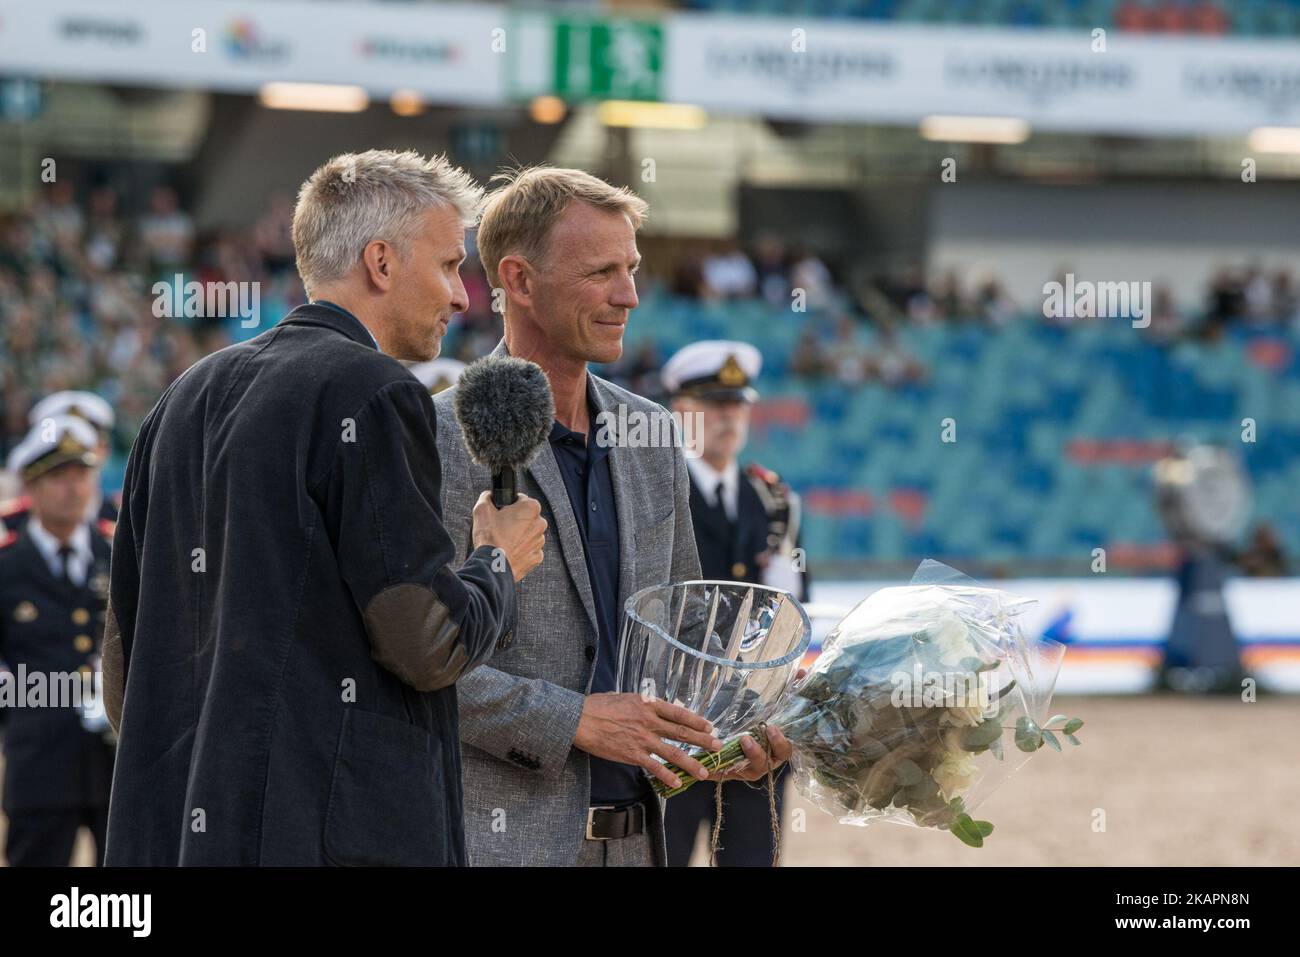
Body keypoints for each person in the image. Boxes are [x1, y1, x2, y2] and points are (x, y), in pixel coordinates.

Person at [100, 149, 548, 866]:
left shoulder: (180, 398)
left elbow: (123, 676)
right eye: (447, 266)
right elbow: (427, 642)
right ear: (380, 262)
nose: (464, 296)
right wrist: (498, 560)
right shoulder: (372, 389)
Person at [433, 167, 792, 866]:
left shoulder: (654, 436)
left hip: (639, 845)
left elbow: (687, 640)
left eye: (630, 269)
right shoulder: (438, 434)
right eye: (602, 271)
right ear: (521, 280)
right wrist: (572, 720)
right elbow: (418, 662)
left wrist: (732, 733)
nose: (629, 294)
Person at [660, 340, 809, 866]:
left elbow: (793, 614)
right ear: (679, 410)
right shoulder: (655, 493)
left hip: (754, 739)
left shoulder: (773, 501)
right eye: (712, 404)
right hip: (670, 735)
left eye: (737, 404)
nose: (728, 416)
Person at [0, 415, 116, 865]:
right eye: (57, 477)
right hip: (39, 759)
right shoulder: (8, 565)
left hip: (115, 759)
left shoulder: (119, 553)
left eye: (81, 474)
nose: (73, 488)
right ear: (31, 485)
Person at [2, 390, 119, 534]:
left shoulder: (122, 519)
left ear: (103, 449)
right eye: (57, 474)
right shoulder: (8, 523)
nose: (72, 487)